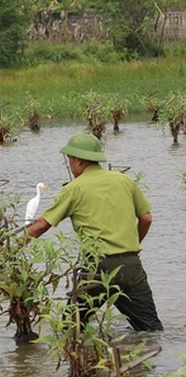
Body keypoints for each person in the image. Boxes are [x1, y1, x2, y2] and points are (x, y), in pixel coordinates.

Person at [26, 132, 163, 331]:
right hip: (132, 266)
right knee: (151, 330)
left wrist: (7, 248)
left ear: (78, 160)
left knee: (70, 329)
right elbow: (146, 218)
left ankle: (76, 361)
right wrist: (132, 246)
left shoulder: (73, 189)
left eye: (70, 159)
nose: (70, 164)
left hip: (97, 267)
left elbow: (40, 226)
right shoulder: (125, 181)